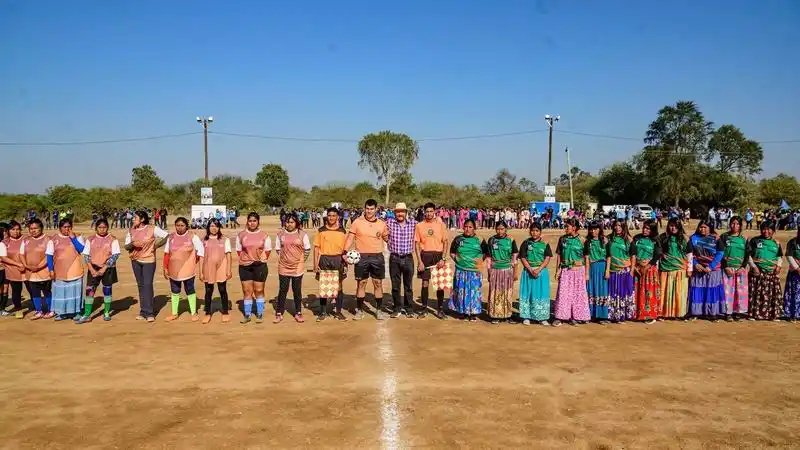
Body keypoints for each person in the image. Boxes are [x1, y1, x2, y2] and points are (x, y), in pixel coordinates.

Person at [344, 199, 389, 320]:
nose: (369, 211)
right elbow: (350, 238)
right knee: (361, 283)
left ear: (376, 209)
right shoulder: (357, 222)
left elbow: (387, 238)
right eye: (367, 209)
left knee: (378, 283)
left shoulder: (382, 223)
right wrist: (344, 252)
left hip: (377, 257)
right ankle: (359, 310)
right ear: (365, 209)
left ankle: (379, 310)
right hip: (361, 257)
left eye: (371, 209)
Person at [125, 210, 169, 323]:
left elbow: (167, 236)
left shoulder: (152, 229)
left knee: (148, 285)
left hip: (149, 260)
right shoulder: (131, 230)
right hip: (135, 260)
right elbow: (126, 247)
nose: (133, 220)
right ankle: (143, 311)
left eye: (135, 218)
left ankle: (150, 313)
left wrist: (156, 246)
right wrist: (132, 245)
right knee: (140, 285)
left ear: (142, 219)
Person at [163, 217, 205, 322]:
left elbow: (200, 252)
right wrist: (165, 267)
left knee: (190, 290)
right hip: (173, 269)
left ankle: (194, 312)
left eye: (182, 225)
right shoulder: (171, 237)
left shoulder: (192, 236)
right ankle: (174, 313)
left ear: (186, 226)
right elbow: (166, 253)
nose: (180, 228)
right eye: (178, 225)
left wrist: (194, 263)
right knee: (175, 291)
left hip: (188, 270)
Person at [80, 219, 120, 323]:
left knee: (107, 290)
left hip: (108, 268)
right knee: (90, 291)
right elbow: (86, 255)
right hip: (93, 267)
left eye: (104, 227)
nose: (102, 230)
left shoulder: (113, 239)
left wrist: (104, 268)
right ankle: (87, 314)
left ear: (107, 228)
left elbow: (115, 255)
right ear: (96, 228)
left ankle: (106, 312)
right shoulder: (90, 239)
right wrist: (91, 269)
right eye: (100, 227)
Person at [414, 202, 450, 319]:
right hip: (425, 256)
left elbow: (445, 242)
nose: (429, 213)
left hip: (438, 256)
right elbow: (417, 243)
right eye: (427, 211)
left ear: (434, 212)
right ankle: (424, 309)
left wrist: (443, 258)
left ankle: (440, 310)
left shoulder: (441, 225)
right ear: (424, 212)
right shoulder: (419, 225)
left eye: (431, 211)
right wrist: (420, 261)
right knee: (425, 283)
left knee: (440, 284)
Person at [274, 214, 311, 323]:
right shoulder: (280, 234)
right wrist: (285, 259)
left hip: (297, 268)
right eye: (287, 222)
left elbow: (307, 249)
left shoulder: (302, 234)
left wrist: (300, 261)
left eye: (292, 222)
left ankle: (298, 312)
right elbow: (278, 249)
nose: (289, 224)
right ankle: (279, 312)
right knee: (282, 290)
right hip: (284, 267)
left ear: (296, 223)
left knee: (297, 291)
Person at [553, 218, 590, 326]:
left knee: (578, 294)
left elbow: (586, 258)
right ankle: (560, 317)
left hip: (578, 271)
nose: (565, 228)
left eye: (567, 227)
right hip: (565, 270)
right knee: (563, 294)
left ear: (574, 228)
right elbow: (559, 256)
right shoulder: (562, 239)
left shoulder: (583, 240)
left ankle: (576, 317)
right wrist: (557, 270)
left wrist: (587, 273)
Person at [46, 218, 86, 321]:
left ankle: (76, 312)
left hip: (75, 270)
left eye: (69, 227)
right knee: (61, 293)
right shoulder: (53, 239)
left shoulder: (78, 237)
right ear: (60, 228)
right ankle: (61, 313)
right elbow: (49, 256)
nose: (67, 229)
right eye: (64, 227)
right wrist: (51, 270)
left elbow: (82, 249)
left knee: (75, 292)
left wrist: (73, 238)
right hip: (59, 271)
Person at [236, 212, 271, 323]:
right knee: (247, 291)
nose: (252, 223)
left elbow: (268, 250)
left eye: (254, 221)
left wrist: (260, 259)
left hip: (259, 266)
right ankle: (247, 315)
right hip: (245, 266)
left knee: (259, 290)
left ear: (258, 222)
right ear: (247, 221)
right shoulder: (241, 235)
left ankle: (259, 313)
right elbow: (238, 250)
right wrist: (247, 259)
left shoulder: (264, 235)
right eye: (250, 221)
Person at [314, 208, 348, 321]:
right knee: (325, 286)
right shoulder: (321, 230)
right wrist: (315, 264)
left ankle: (338, 312)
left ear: (337, 217)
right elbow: (316, 248)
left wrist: (346, 264)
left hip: (338, 259)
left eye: (334, 215)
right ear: (326, 216)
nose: (331, 218)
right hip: (324, 259)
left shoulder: (342, 231)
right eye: (329, 215)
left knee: (339, 286)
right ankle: (323, 312)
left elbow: (345, 249)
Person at [687, 220, 725, 320]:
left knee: (711, 291)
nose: (702, 229)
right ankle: (696, 313)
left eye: (705, 227)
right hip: (698, 269)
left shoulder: (716, 238)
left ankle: (711, 313)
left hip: (713, 270)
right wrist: (695, 264)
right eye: (701, 227)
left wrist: (711, 266)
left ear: (710, 228)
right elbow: (690, 253)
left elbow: (720, 253)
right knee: (698, 290)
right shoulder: (693, 238)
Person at [386, 202, 417, 319]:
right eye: (398, 211)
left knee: (408, 285)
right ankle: (396, 308)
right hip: (394, 258)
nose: (400, 214)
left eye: (402, 211)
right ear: (394, 213)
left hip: (408, 258)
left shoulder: (414, 224)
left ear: (406, 213)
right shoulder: (389, 223)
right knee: (395, 286)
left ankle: (409, 308)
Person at [747, 221, 783, 321]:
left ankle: (772, 315)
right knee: (756, 294)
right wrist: (754, 266)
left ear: (773, 231)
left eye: (769, 229)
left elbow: (779, 256)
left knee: (771, 295)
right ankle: (753, 314)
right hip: (757, 272)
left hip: (771, 273)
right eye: (764, 229)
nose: (766, 231)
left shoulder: (776, 243)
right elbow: (749, 255)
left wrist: (779, 266)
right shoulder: (754, 241)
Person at [484, 221, 518, 324]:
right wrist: (489, 271)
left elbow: (514, 256)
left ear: (506, 229)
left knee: (507, 292)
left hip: (507, 270)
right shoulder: (491, 240)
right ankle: (495, 315)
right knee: (495, 292)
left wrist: (515, 272)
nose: (500, 231)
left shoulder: (511, 240)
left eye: (502, 229)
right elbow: (488, 258)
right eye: (498, 229)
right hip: (495, 269)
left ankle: (507, 315)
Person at [449, 219, 483, 321]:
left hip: (474, 272)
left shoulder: (480, 240)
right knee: (461, 291)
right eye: (466, 227)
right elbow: (452, 252)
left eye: (470, 227)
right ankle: (462, 311)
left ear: (474, 229)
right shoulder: (458, 239)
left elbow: (486, 253)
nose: (467, 229)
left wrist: (478, 263)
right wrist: (458, 260)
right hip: (461, 270)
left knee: (474, 292)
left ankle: (473, 313)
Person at [199, 218, 232, 324]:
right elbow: (201, 257)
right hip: (208, 268)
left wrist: (229, 270)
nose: (214, 228)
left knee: (222, 290)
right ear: (208, 227)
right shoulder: (204, 240)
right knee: (208, 291)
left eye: (216, 226)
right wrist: (200, 272)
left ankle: (225, 312)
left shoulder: (224, 239)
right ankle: (207, 313)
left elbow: (228, 256)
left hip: (221, 267)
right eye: (212, 226)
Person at [518, 222, 552, 325]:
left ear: (540, 232)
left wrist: (538, 269)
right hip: (528, 272)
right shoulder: (526, 243)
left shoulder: (545, 244)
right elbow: (523, 257)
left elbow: (547, 258)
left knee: (541, 293)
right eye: (532, 230)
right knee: (528, 293)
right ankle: (526, 316)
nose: (534, 233)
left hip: (541, 273)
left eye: (537, 230)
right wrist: (530, 269)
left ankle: (542, 318)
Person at [658, 218, 691, 320]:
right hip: (665, 269)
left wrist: (690, 268)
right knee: (665, 291)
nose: (673, 228)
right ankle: (664, 313)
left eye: (676, 226)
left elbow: (689, 254)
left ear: (679, 227)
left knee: (679, 292)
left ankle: (679, 313)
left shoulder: (685, 239)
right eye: (671, 226)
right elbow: (659, 252)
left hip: (680, 270)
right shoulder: (663, 237)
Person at [21, 219, 53, 319]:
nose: (33, 231)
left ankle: (49, 310)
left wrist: (38, 267)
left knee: (47, 292)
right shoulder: (26, 240)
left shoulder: (48, 239)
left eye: (36, 228)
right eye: (31, 229)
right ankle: (38, 311)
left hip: (44, 271)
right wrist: (26, 265)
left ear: (41, 228)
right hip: (30, 272)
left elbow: (49, 256)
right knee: (35, 292)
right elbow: (21, 254)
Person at [631, 219, 662, 323]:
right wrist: (635, 266)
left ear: (652, 230)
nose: (645, 230)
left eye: (648, 228)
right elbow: (632, 253)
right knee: (637, 292)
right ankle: (637, 314)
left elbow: (657, 255)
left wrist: (647, 266)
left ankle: (650, 315)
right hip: (637, 269)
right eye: (644, 227)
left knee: (648, 293)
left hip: (649, 270)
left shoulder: (655, 240)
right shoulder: (636, 238)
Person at [606, 219, 635, 323]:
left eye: (620, 225)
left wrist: (631, 271)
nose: (617, 227)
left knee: (623, 292)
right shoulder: (609, 239)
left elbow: (633, 256)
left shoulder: (629, 240)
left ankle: (623, 315)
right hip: (613, 270)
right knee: (613, 292)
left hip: (624, 271)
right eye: (616, 225)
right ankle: (612, 315)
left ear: (624, 227)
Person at [720, 216, 749, 321]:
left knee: (740, 292)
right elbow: (720, 253)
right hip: (727, 269)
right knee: (728, 292)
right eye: (733, 223)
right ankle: (728, 313)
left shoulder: (744, 239)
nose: (735, 226)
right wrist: (725, 266)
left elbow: (747, 255)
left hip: (740, 269)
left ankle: (738, 312)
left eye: (737, 224)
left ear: (740, 226)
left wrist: (743, 267)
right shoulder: (724, 237)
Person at [0, 221, 27, 318]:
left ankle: (38, 309)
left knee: (31, 289)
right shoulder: (4, 242)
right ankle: (17, 309)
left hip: (27, 270)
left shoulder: (26, 239)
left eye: (17, 229)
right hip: (12, 270)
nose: (15, 232)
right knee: (15, 291)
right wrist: (17, 264)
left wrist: (24, 265)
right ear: (8, 231)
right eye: (13, 229)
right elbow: (3, 257)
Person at [584, 221, 609, 323]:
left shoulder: (605, 241)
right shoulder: (587, 242)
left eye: (595, 229)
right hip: (592, 268)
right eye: (591, 229)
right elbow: (586, 257)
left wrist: (607, 270)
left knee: (602, 290)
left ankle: (602, 315)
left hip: (602, 267)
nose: (593, 231)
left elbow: (608, 257)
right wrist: (586, 272)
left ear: (599, 229)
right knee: (591, 290)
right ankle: (590, 314)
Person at [784, 227, 800, 321]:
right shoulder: (792, 242)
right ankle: (793, 314)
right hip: (795, 272)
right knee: (793, 293)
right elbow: (789, 256)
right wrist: (797, 268)